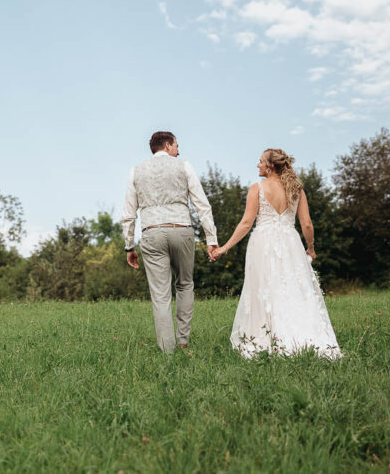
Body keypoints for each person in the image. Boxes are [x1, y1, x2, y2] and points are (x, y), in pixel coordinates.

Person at [210, 148, 342, 359]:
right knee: (294, 288)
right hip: (291, 243)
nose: (258, 165)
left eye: (261, 161)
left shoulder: (257, 188)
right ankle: (302, 337)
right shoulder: (296, 189)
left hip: (263, 244)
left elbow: (246, 224)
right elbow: (306, 224)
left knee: (264, 289)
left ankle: (266, 337)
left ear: (270, 166)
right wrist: (310, 247)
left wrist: (224, 248)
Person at [122, 131, 219, 353]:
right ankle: (183, 342)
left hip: (152, 232)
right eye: (176, 145)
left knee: (160, 294)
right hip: (181, 230)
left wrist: (129, 245)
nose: (178, 150)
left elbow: (128, 213)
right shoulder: (184, 166)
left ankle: (167, 350)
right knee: (185, 284)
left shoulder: (135, 171)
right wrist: (211, 238)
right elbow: (202, 204)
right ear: (167, 145)